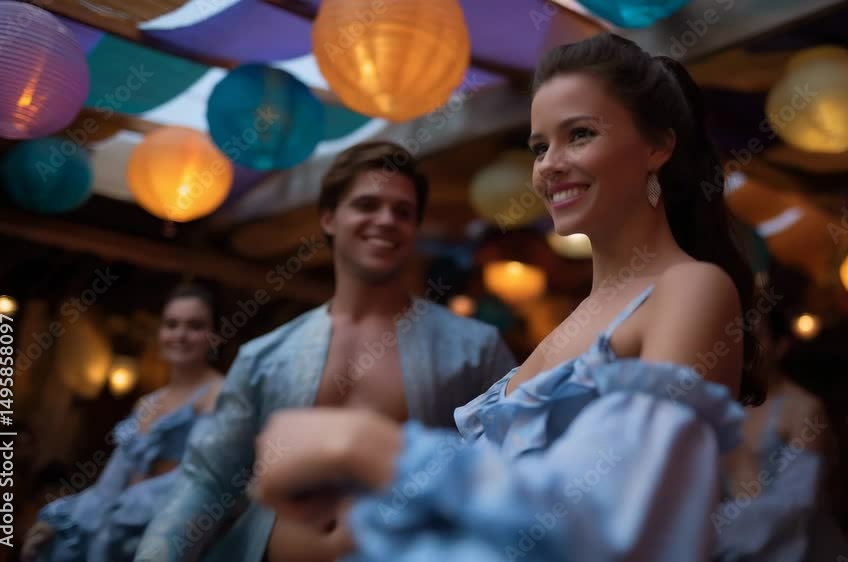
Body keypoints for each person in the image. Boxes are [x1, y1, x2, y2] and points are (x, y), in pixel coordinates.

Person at [249, 32, 766, 562]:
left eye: (580, 134)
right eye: (540, 147)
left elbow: (628, 520)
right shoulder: (576, 318)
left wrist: (370, 447)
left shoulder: (691, 288)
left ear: (658, 145)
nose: (550, 164)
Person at [136, 141, 517, 562]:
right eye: (367, 205)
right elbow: (208, 479)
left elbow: (511, 467)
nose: (386, 220)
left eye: (402, 211)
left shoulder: (474, 349)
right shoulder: (265, 356)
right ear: (329, 218)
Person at [22, 284, 226, 562]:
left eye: (195, 325)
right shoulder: (146, 404)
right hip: (113, 537)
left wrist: (118, 513)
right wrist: (61, 519)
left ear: (214, 336)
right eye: (171, 324)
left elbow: (198, 481)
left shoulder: (220, 395)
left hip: (170, 541)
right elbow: (111, 483)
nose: (180, 335)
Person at [713, 307, 848, 561]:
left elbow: (796, 505)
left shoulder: (803, 408)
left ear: (781, 346)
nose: (745, 347)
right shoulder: (720, 405)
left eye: (756, 337)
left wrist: (704, 532)